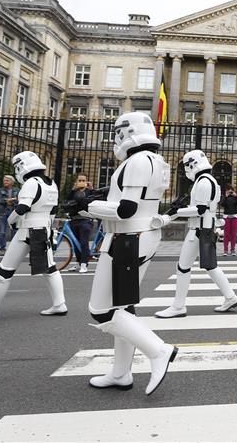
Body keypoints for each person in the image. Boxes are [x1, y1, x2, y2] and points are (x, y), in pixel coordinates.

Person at [84, 112, 178, 395]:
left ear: (127, 132)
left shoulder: (137, 161)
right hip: (140, 236)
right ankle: (120, 372)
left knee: (101, 310)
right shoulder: (156, 162)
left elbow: (126, 209)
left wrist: (88, 206)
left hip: (128, 237)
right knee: (123, 307)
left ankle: (158, 350)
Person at [0, 151, 67, 320]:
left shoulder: (31, 183)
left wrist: (11, 221)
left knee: (4, 270)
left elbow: (22, 207)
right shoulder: (51, 183)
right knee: (50, 268)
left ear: (21, 166)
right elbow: (53, 210)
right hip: (44, 229)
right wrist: (50, 228)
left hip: (28, 231)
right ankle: (59, 304)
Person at [154, 150, 237, 318]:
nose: (186, 169)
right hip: (205, 229)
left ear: (192, 164)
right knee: (210, 266)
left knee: (183, 267)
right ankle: (230, 297)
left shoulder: (203, 182)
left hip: (198, 230)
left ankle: (178, 306)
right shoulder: (210, 180)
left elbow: (200, 210)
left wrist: (177, 212)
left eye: (187, 165)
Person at [65, 174, 94, 273]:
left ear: (86, 181)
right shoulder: (74, 192)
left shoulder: (89, 192)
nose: (81, 182)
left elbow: (92, 202)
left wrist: (91, 189)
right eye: (80, 180)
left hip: (85, 219)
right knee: (75, 243)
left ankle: (84, 264)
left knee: (83, 242)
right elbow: (67, 201)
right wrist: (73, 189)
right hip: (74, 219)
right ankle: (78, 262)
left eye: (83, 180)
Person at [0, 175, 19, 256]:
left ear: (12, 182)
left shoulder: (17, 190)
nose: (5, 182)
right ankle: (2, 249)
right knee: (2, 232)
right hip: (3, 213)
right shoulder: (0, 190)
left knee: (14, 231)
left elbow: (20, 199)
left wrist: (13, 201)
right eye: (4, 180)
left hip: (13, 212)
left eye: (7, 180)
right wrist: (6, 201)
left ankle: (14, 249)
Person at [220, 186, 237, 256]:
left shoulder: (235, 197)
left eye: (231, 190)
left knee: (233, 234)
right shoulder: (225, 197)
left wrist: (236, 196)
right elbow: (222, 204)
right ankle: (225, 250)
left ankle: (233, 249)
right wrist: (225, 196)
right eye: (228, 190)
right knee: (226, 234)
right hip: (227, 217)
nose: (230, 192)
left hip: (234, 217)